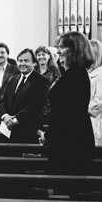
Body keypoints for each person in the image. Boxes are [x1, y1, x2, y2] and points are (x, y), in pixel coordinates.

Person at [39, 31, 95, 174]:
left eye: (62, 47)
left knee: (67, 185)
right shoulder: (73, 73)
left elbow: (64, 113)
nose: (58, 51)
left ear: (75, 49)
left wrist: (48, 135)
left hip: (72, 140)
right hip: (69, 136)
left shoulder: (75, 75)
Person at [0, 49, 50, 144]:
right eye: (20, 60)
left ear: (35, 63)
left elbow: (36, 105)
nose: (22, 64)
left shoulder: (41, 81)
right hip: (8, 131)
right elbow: (3, 101)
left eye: (26, 61)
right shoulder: (12, 80)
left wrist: (14, 120)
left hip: (29, 130)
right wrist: (5, 116)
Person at [35, 44, 61, 122]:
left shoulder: (55, 71)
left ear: (49, 56)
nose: (41, 57)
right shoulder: (34, 71)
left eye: (43, 54)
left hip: (50, 107)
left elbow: (58, 89)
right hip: (36, 108)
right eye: (38, 55)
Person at [86, 39, 102, 146]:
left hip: (95, 120)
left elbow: (98, 101)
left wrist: (80, 110)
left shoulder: (100, 74)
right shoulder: (85, 72)